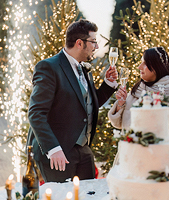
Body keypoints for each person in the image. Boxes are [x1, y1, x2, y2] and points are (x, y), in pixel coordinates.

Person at [27, 19, 118, 183]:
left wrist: (109, 84)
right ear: (79, 43)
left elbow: (88, 105)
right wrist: (53, 149)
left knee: (89, 194)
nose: (96, 47)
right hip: (58, 152)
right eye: (93, 42)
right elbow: (35, 113)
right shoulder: (49, 67)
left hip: (83, 150)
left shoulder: (84, 68)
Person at [108, 47, 169, 139]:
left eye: (145, 63)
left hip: (156, 152)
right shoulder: (140, 89)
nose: (139, 67)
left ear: (157, 66)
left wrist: (143, 134)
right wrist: (121, 104)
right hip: (131, 151)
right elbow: (119, 124)